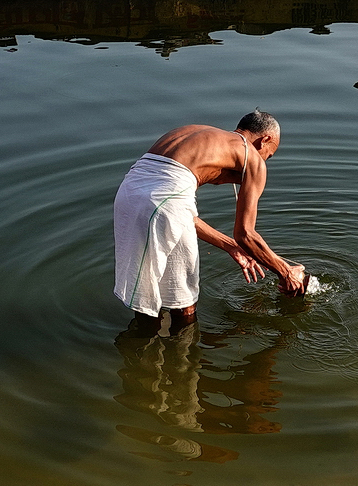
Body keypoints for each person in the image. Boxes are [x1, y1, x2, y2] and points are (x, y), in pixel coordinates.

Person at [113, 110, 305, 327]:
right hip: (165, 201)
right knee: (183, 299)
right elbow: (246, 234)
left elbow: (178, 212)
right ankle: (182, 353)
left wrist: (231, 247)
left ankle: (144, 347)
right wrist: (286, 272)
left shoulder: (198, 133)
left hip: (127, 194)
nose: (266, 161)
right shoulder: (251, 156)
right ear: (265, 140)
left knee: (146, 291)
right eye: (269, 155)